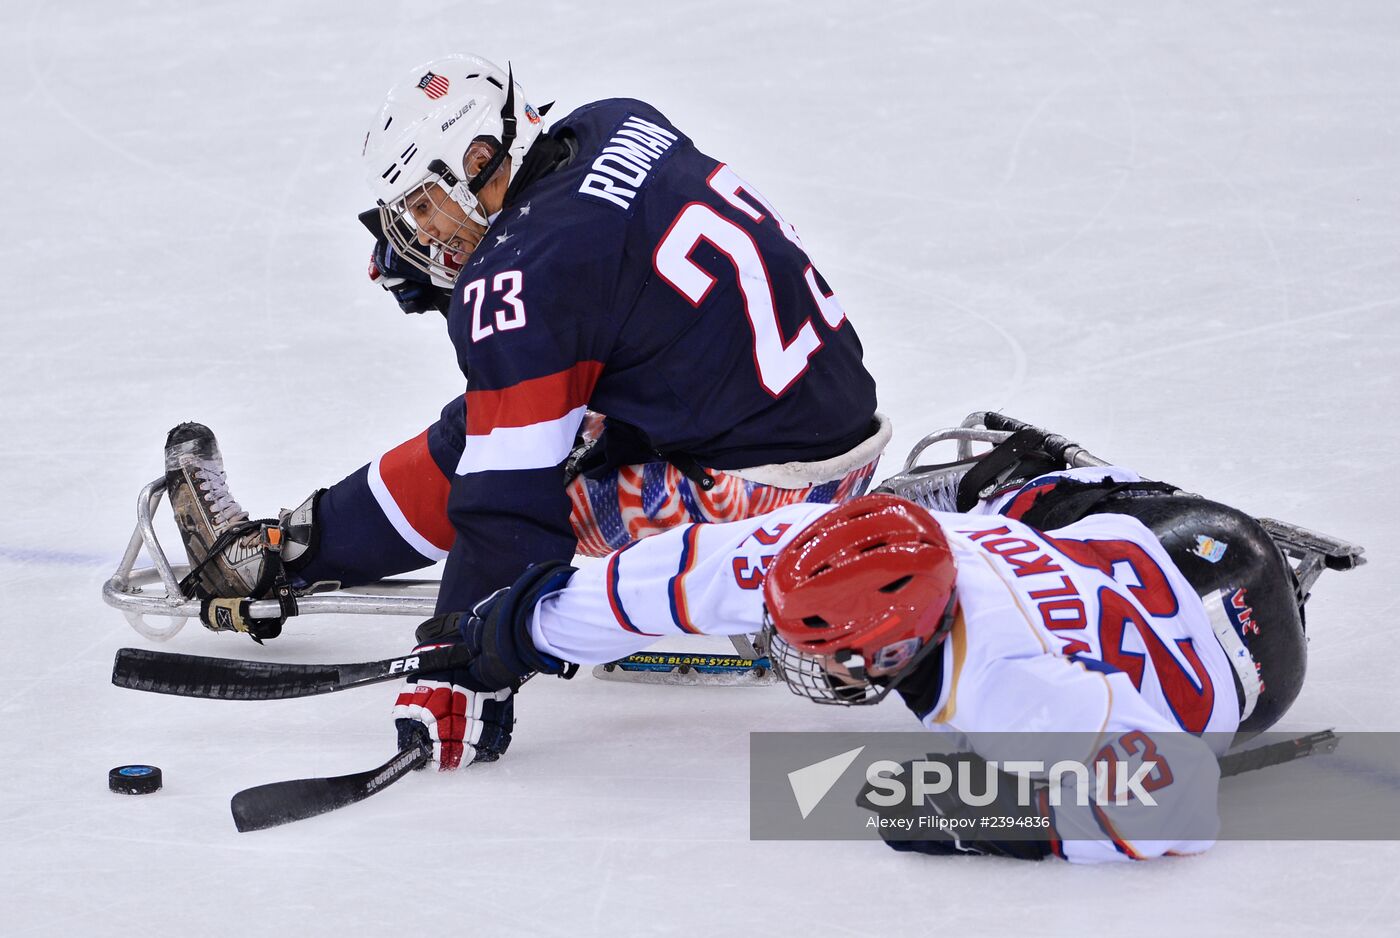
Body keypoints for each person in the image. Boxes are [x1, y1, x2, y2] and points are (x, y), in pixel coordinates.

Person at [163, 52, 887, 646]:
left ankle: (275, 556)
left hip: (763, 504)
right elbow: (602, 276)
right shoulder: (618, 121)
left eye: (422, 203)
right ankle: (300, 541)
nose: (421, 231)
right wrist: (467, 287)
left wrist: (458, 656)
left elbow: (502, 507)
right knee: (524, 404)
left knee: (494, 447)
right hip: (836, 435)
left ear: (478, 158)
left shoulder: (523, 271)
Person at [392, 452, 1312, 863]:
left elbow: (1177, 802)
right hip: (1176, 543)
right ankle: (1026, 475)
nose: (786, 649)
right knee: (987, 487)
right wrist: (515, 628)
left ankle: (1031, 470)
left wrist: (997, 822)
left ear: (893, 648)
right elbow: (701, 572)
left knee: (996, 478)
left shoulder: (1009, 691)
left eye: (816, 645)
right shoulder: (860, 547)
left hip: (1244, 644)